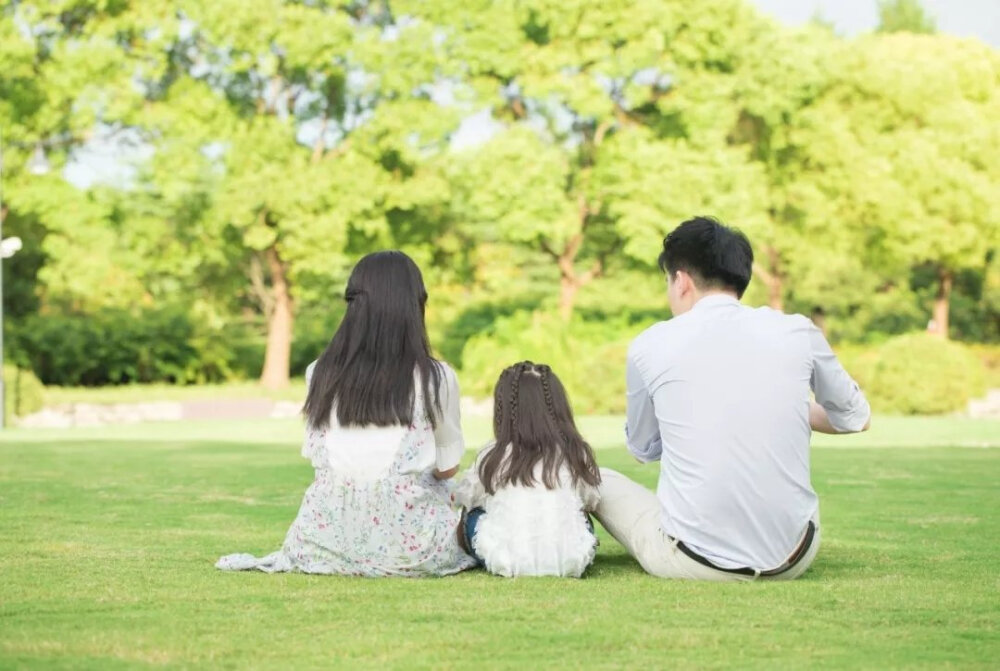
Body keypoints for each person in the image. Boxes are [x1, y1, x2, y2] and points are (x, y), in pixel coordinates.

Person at [595, 217, 871, 581]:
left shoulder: (651, 344)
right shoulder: (797, 330)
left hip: (695, 562)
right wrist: (781, 406)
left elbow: (644, 449)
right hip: (795, 557)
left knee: (596, 478)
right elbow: (855, 417)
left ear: (681, 281)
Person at [216, 250, 476, 577]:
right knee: (468, 505)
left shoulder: (318, 372)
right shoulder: (436, 378)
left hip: (321, 543)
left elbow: (320, 462)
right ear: (414, 306)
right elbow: (447, 467)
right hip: (408, 549)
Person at [455, 362, 602, 578]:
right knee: (580, 514)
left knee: (471, 514)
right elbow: (592, 500)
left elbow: (465, 497)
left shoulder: (494, 454)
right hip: (569, 561)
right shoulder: (574, 452)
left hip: (507, 560)